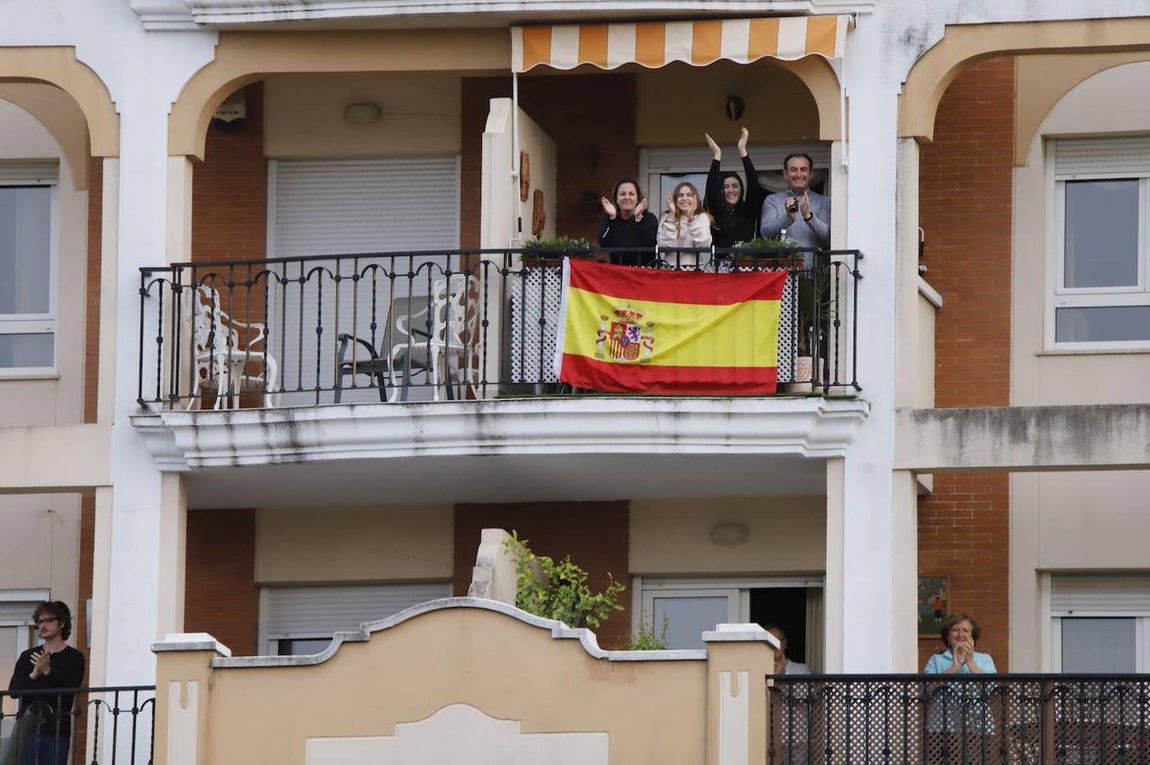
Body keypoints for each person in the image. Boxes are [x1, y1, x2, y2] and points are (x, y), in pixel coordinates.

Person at [6, 601, 86, 765]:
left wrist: (48, 671)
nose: (43, 625)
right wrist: (35, 673)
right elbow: (14, 691)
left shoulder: (74, 657)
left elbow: (71, 689)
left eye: (49, 620)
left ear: (62, 623)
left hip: (56, 730)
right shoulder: (28, 655)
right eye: (40, 621)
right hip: (27, 728)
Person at [759, 153, 831, 266]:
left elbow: (828, 237)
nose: (798, 174)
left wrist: (809, 217)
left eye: (803, 169)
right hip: (781, 272)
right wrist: (787, 218)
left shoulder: (823, 201)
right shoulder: (772, 200)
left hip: (814, 273)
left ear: (811, 174)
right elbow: (765, 233)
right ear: (785, 174)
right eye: (793, 169)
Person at [704, 128, 766, 249]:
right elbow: (711, 189)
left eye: (735, 186)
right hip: (720, 265)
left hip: (744, 264)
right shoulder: (716, 211)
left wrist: (742, 151)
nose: (731, 190)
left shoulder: (747, 210)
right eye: (726, 187)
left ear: (741, 189)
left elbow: (753, 184)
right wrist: (717, 155)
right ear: (720, 191)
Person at [598, 178, 657, 267]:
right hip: (619, 274)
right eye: (622, 194)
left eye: (631, 194)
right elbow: (604, 243)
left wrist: (638, 220)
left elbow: (650, 242)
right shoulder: (610, 219)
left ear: (637, 198)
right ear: (616, 199)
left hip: (644, 274)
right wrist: (612, 219)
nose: (627, 197)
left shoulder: (648, 218)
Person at [657, 181, 712, 268]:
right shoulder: (666, 217)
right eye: (680, 195)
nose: (684, 198)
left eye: (689, 195)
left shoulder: (702, 217)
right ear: (675, 199)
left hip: (694, 270)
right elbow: (664, 245)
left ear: (695, 198)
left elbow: (703, 245)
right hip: (670, 269)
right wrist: (672, 215)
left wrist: (691, 219)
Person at [924, 613, 996, 675]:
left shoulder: (985, 659)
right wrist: (954, 668)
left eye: (965, 630)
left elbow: (992, 688)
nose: (960, 635)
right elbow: (927, 689)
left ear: (972, 636)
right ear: (948, 636)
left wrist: (970, 663)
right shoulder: (935, 660)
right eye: (955, 630)